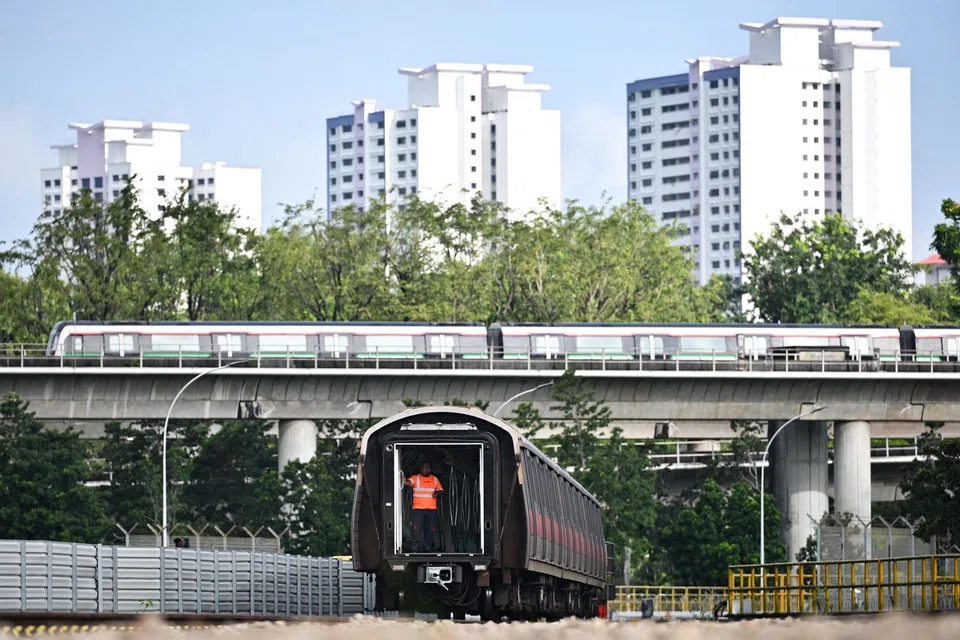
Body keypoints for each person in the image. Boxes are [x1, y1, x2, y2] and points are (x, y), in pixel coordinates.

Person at [400, 462, 443, 552]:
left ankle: (428, 547)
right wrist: (404, 481)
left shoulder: (435, 479)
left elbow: (440, 490)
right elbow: (409, 483)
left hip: (431, 509)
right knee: (416, 529)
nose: (426, 469)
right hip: (418, 509)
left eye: (427, 467)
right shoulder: (416, 478)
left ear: (430, 469)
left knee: (430, 529)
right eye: (424, 467)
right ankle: (414, 547)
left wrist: (437, 493)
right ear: (421, 468)